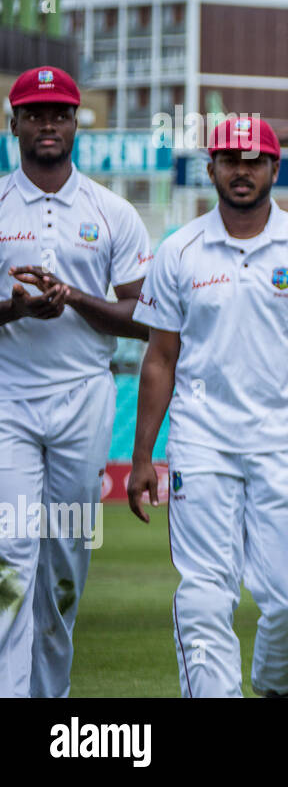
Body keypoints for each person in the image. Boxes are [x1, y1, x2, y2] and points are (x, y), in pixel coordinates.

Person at [128, 116, 288, 698]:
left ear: (274, 169)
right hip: (200, 444)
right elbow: (159, 359)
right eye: (230, 160)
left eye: (254, 160)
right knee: (206, 592)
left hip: (285, 448)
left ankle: (275, 686)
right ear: (211, 169)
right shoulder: (178, 250)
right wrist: (141, 457)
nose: (241, 170)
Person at [0, 66, 152, 698]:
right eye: (34, 115)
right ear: (14, 126)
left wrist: (72, 298)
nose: (47, 125)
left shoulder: (110, 212)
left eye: (59, 114)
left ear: (75, 124)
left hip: (84, 400)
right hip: (7, 397)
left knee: (64, 566)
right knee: (9, 558)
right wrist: (15, 309)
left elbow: (148, 320)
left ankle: (49, 697)